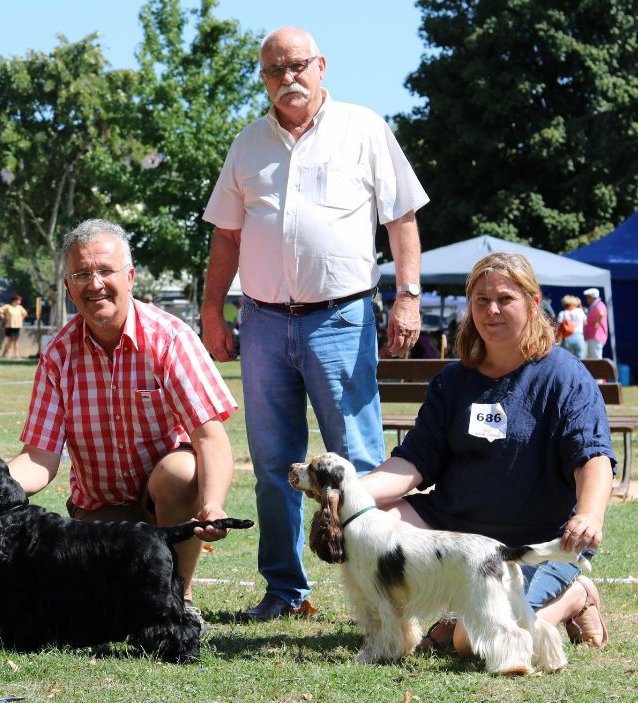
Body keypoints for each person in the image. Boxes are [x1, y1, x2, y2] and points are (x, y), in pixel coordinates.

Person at [200, 26, 429, 621]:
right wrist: (210, 311)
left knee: (358, 460)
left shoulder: (365, 127)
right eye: (275, 69)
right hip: (264, 323)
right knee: (277, 468)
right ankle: (284, 590)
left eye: (298, 65)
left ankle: (384, 592)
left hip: (343, 318)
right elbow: (226, 237)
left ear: (321, 66)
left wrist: (407, 296)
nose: (288, 77)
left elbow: (401, 218)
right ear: (263, 78)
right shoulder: (247, 144)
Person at [0, 218, 239, 628]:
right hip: (100, 514)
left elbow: (210, 437)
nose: (94, 284)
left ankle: (178, 598)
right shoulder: (58, 355)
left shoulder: (171, 339)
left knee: (181, 472)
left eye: (105, 271)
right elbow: (40, 458)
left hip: (166, 502)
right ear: (68, 287)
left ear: (130, 277)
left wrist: (212, 503)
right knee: (89, 612)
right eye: (81, 274)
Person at [361, 251, 613, 653]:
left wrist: (589, 514)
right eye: (481, 300)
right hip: (460, 532)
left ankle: (575, 596)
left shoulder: (564, 375)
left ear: (533, 304)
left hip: (537, 543)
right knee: (370, 523)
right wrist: (352, 496)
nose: (491, 310)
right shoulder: (452, 381)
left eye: (505, 299)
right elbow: (414, 462)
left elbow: (592, 457)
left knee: (471, 643)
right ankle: (435, 617)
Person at [0, 293, 28, 358]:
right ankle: (8, 354)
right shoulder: (8, 306)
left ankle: (16, 355)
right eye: (19, 300)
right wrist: (3, 317)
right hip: (9, 326)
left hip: (17, 326)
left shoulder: (20, 307)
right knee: (9, 340)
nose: (20, 301)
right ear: (15, 300)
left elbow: (25, 313)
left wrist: (21, 318)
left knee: (16, 341)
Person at [556, 294, 586, 359]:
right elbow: (585, 323)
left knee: (566, 359)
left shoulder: (562, 313)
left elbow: (558, 327)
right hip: (579, 337)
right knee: (581, 360)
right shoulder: (580, 311)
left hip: (567, 338)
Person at [583, 287, 608, 360]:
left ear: (591, 297)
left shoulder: (599, 305)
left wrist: (596, 322)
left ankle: (600, 371)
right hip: (592, 336)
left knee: (597, 359)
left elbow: (601, 313)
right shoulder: (596, 305)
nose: (587, 300)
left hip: (595, 336)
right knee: (591, 359)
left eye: (587, 297)